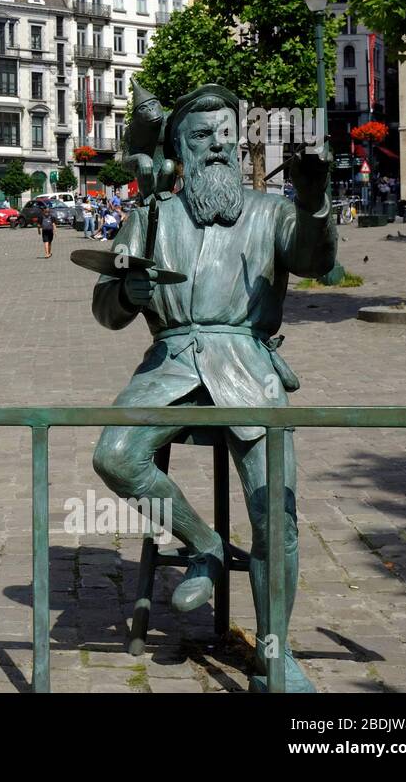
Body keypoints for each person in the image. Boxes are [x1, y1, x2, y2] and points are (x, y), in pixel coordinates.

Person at [90, 83, 335, 692]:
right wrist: (125, 292)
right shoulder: (151, 216)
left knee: (275, 514)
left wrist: (314, 200)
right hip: (171, 364)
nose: (217, 147)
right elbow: (104, 308)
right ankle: (203, 545)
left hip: (248, 367)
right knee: (114, 457)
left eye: (226, 134)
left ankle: (274, 655)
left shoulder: (270, 212)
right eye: (201, 137)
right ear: (178, 149)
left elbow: (314, 259)